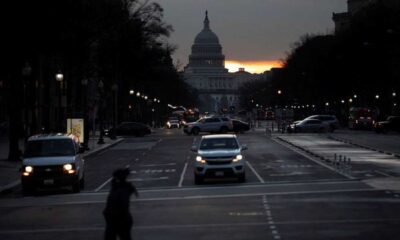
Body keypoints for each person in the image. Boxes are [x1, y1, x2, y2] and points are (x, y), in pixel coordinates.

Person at [103, 168, 139, 240]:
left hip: (118, 219)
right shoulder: (121, 188)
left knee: (116, 236)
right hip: (118, 219)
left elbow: (122, 205)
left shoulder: (120, 190)